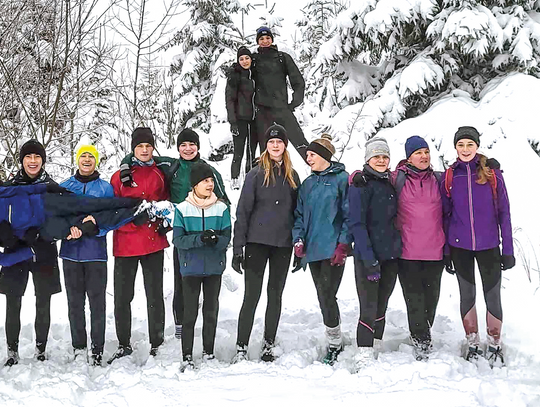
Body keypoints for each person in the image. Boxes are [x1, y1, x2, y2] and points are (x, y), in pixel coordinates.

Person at [121, 127, 229, 342]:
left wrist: (221, 228)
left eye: (191, 144)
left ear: (198, 146)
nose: (187, 149)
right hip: (183, 229)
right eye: (183, 145)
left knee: (208, 283)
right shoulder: (171, 165)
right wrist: (125, 166)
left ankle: (208, 331)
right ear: (178, 147)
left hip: (207, 231)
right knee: (181, 281)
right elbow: (142, 152)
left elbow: (224, 200)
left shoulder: (210, 171)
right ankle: (181, 326)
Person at [441, 126, 514, 367]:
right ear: (455, 148)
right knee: (467, 294)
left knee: (492, 295)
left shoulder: (492, 174)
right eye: (460, 145)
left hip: (489, 245)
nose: (465, 149)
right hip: (460, 246)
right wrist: (446, 250)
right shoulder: (450, 176)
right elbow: (445, 214)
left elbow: (504, 213)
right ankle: (472, 341)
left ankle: (494, 342)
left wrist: (509, 250)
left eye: (469, 144)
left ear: (477, 146)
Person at [231, 124, 300, 363]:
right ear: (266, 145)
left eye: (279, 141)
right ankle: (241, 346)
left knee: (275, 295)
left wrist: (299, 244)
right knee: (252, 296)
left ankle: (269, 343)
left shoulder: (292, 175)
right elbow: (243, 211)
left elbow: (298, 212)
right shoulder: (255, 173)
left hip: (283, 244)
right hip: (256, 243)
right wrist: (238, 246)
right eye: (271, 142)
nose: (275, 145)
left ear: (284, 144)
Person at [108, 127, 169, 363]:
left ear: (153, 148)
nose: (144, 150)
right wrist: (133, 221)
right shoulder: (120, 176)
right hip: (126, 244)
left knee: (155, 294)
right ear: (133, 148)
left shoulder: (160, 173)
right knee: (123, 297)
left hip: (154, 242)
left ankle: (158, 343)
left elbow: (167, 203)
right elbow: (112, 212)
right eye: (140, 147)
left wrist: (166, 223)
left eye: (148, 146)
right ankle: (123, 344)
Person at [0, 139, 62, 366]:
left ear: (43, 161)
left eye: (37, 157)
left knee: (43, 300)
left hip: (43, 249)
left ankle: (41, 348)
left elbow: (61, 220)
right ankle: (12, 350)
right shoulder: (8, 188)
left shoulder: (52, 187)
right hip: (14, 249)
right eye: (28, 157)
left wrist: (42, 233)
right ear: (22, 160)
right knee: (12, 300)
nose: (33, 161)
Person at [292, 134, 350, 365]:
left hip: (333, 249)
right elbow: (298, 215)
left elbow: (348, 214)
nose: (308, 159)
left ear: (325, 156)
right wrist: (298, 240)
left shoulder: (342, 180)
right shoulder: (307, 184)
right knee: (323, 295)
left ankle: (335, 343)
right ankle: (334, 336)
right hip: (313, 251)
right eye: (307, 156)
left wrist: (343, 244)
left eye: (312, 155)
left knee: (327, 294)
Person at [348, 138, 401, 371]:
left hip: (390, 254)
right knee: (368, 306)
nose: (381, 160)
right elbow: (357, 224)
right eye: (376, 156)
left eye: (384, 157)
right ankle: (363, 352)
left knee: (382, 304)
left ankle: (376, 344)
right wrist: (369, 259)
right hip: (367, 256)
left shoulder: (390, 183)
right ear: (368, 159)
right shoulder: (360, 184)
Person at [173, 162, 231, 372]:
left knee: (211, 310)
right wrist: (199, 239)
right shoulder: (182, 209)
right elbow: (178, 240)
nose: (210, 185)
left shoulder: (221, 208)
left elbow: (227, 238)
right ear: (195, 184)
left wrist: (215, 240)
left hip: (214, 268)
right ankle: (186, 355)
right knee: (189, 313)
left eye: (211, 181)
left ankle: (209, 351)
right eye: (205, 181)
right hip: (191, 268)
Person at [59, 145, 113, 366]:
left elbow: (111, 217)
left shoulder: (105, 188)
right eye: (83, 156)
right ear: (77, 160)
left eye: (91, 156)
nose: (87, 160)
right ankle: (79, 346)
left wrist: (95, 227)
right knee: (74, 303)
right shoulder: (64, 187)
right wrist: (67, 229)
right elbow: (55, 215)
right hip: (70, 254)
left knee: (97, 304)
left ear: (96, 161)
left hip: (96, 255)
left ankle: (97, 348)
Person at [393, 136, 445, 362]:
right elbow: (371, 175)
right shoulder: (397, 179)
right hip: (407, 251)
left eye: (426, 151)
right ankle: (421, 340)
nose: (424, 156)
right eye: (418, 153)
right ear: (409, 157)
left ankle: (423, 330)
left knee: (431, 298)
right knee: (413, 298)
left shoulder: (440, 180)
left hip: (435, 250)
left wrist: (487, 165)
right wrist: (356, 176)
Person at [251, 26, 309, 159]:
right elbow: (242, 77)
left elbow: (298, 81)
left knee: (300, 143)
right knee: (266, 150)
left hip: (281, 108)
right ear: (257, 41)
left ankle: (322, 171)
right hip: (262, 111)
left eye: (267, 38)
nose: (265, 41)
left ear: (272, 39)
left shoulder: (283, 58)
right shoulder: (253, 60)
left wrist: (295, 102)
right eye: (261, 38)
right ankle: (267, 178)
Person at [225, 46, 258, 190]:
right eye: (241, 59)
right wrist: (232, 121)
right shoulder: (234, 75)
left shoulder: (255, 74)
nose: (245, 61)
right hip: (239, 120)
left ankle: (249, 178)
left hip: (255, 119)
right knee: (238, 151)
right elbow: (229, 99)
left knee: (252, 151)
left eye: (247, 58)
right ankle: (234, 179)